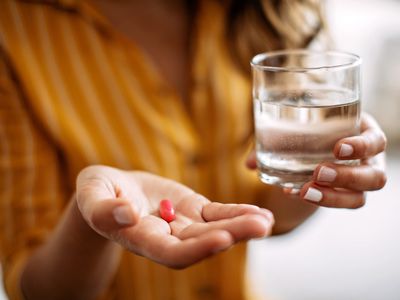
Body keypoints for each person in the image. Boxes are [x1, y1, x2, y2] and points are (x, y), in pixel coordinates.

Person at [0, 0, 387, 299]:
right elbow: (35, 288)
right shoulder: (14, 29)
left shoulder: (259, 12)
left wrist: (317, 173)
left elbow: (268, 212)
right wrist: (94, 222)